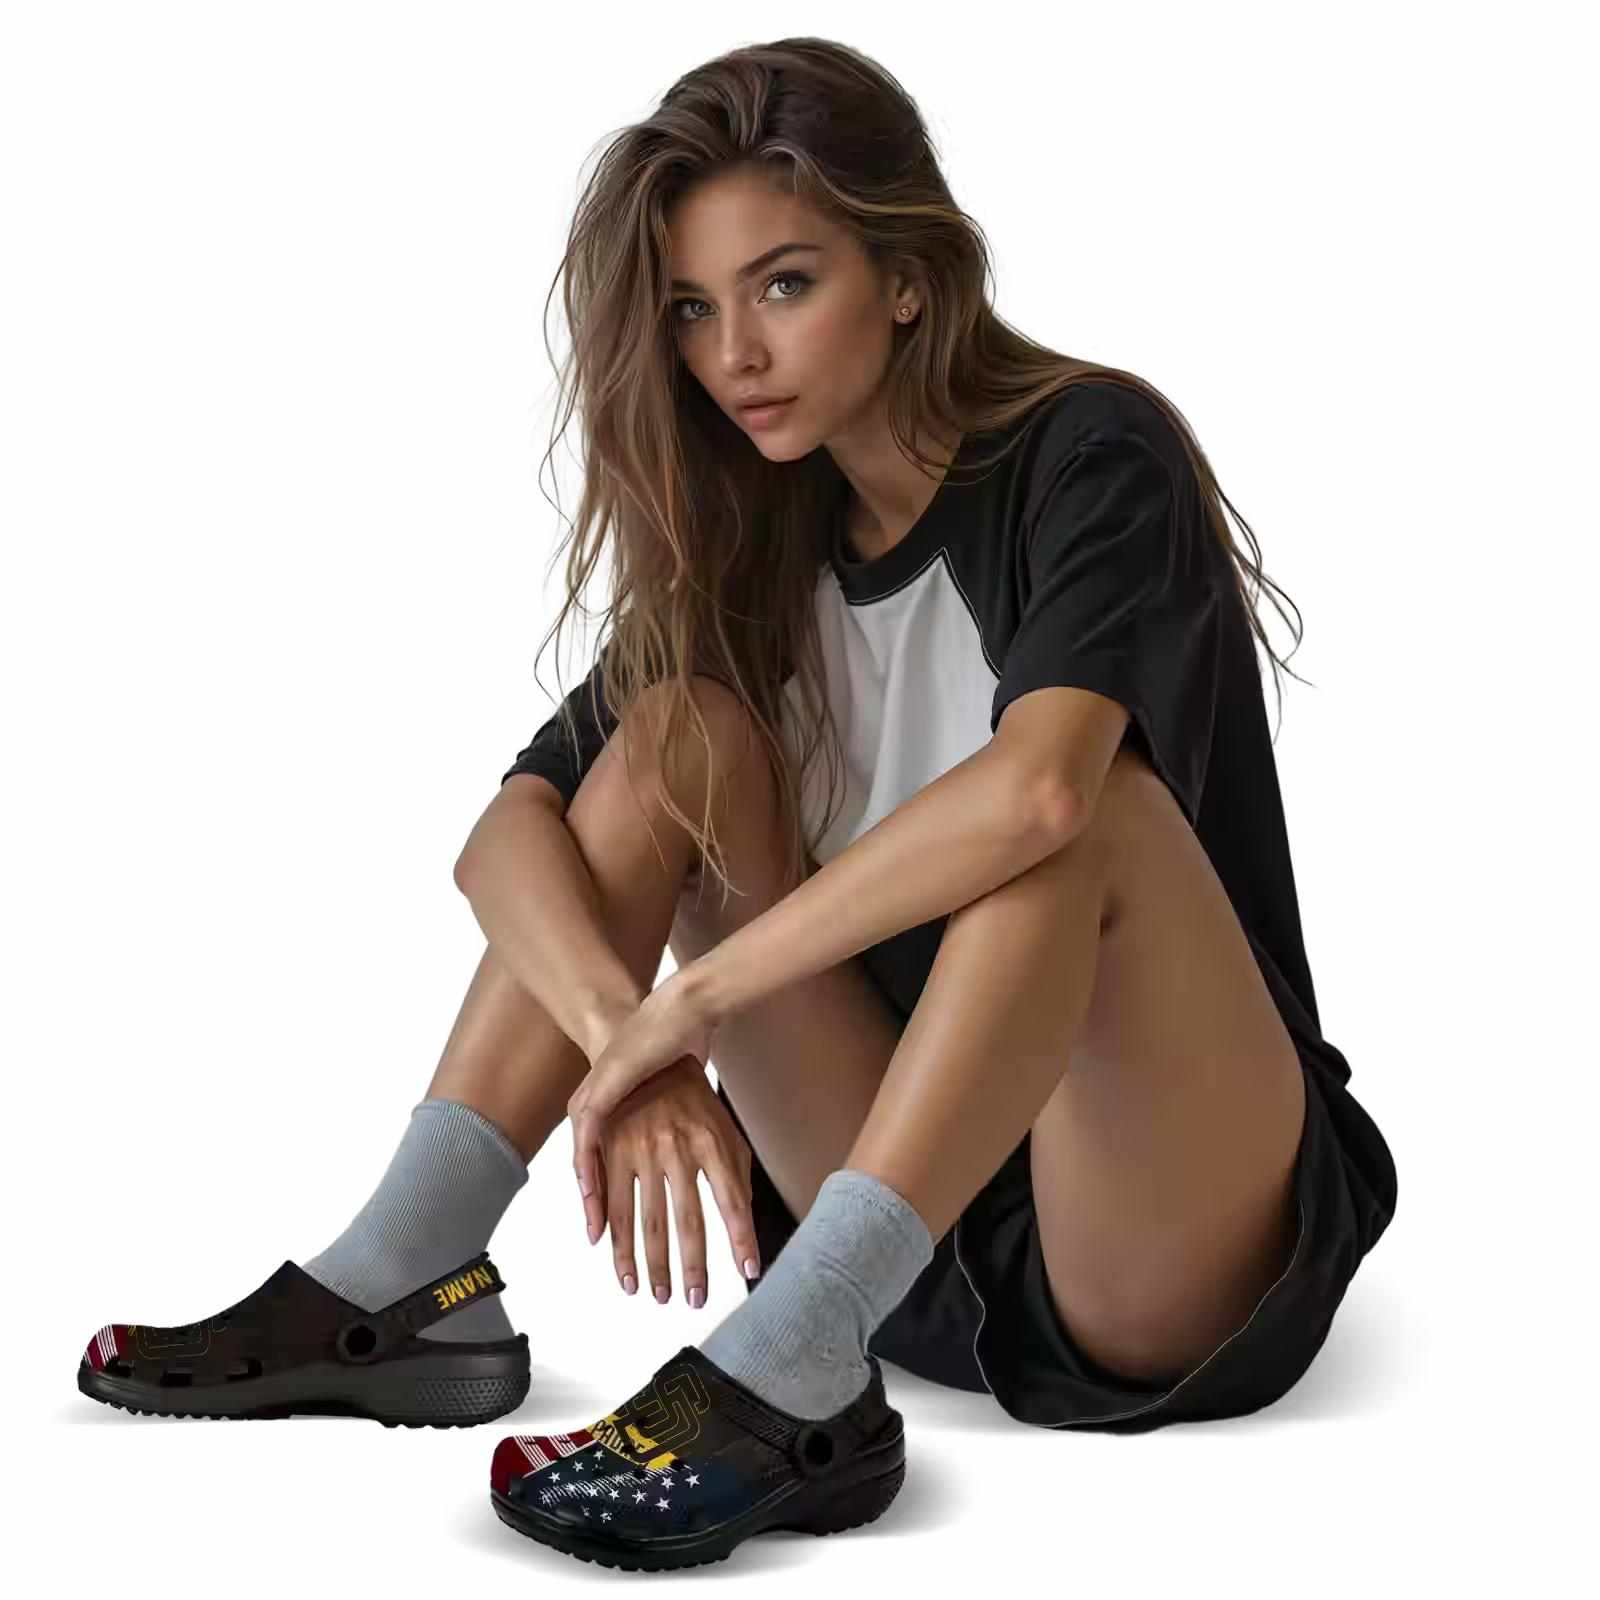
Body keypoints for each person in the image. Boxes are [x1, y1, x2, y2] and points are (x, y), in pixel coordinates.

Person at [77, 35, 1398, 1571]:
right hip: (907, 1240)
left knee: (1087, 810)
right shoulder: (758, 544)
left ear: (907, 278)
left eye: (784, 285)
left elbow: (1038, 794)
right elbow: (504, 837)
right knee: (674, 741)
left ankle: (794, 1363)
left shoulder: (1088, 455)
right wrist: (621, 1040)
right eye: (694, 309)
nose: (733, 356)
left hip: (1167, 1247)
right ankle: (405, 1278)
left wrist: (692, 1002)